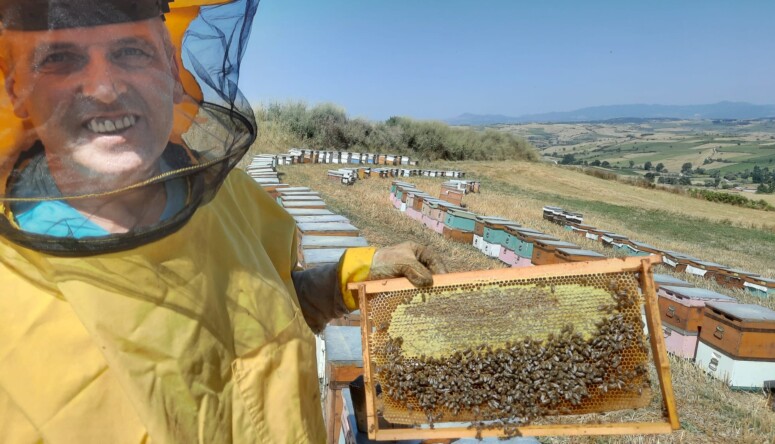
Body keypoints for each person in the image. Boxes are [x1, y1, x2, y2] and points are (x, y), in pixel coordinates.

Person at [0, 1, 445, 442]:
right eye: (60, 59)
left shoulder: (235, 199)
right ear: (16, 87)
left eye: (130, 52)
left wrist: (343, 283)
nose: (104, 88)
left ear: (174, 75)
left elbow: (268, 311)